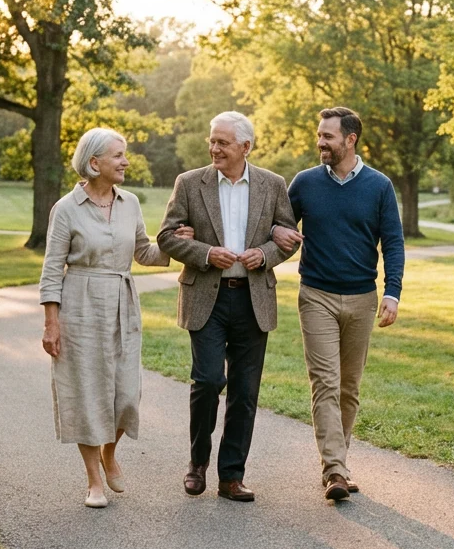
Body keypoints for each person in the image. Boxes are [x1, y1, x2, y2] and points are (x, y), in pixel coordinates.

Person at [157, 111, 298, 502]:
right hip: (207, 296)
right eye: (212, 141)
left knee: (245, 391)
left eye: (222, 142)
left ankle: (231, 476)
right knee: (206, 380)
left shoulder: (273, 185)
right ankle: (197, 463)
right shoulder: (189, 182)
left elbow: (288, 238)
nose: (214, 148)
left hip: (253, 297)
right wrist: (205, 253)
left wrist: (264, 255)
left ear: (245, 147)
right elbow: (167, 236)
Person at [272, 106, 404, 502]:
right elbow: (279, 225)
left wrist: (392, 292)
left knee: (349, 388)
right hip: (316, 295)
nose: (320, 142)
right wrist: (277, 234)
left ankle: (338, 464)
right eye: (319, 135)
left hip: (363, 298)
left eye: (328, 136)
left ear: (350, 140)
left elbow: (393, 243)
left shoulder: (379, 186)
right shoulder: (305, 183)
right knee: (325, 384)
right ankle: (335, 470)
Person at [39, 128, 169, 508]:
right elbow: (51, 269)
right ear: (94, 163)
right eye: (118, 155)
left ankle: (110, 454)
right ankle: (94, 479)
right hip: (79, 303)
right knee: (86, 391)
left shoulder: (130, 203)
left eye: (124, 154)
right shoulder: (66, 208)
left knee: (126, 393)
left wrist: (180, 245)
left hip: (123, 302)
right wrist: (51, 322)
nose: (126, 161)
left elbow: (144, 252)